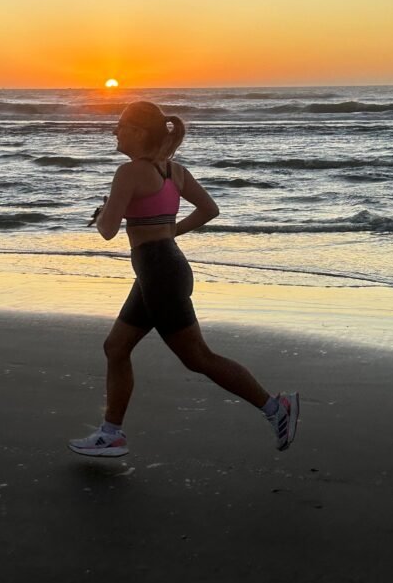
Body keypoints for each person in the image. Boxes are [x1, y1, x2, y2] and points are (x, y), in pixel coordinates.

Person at [69, 100, 299, 458]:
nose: (114, 132)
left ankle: (275, 408)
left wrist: (102, 212)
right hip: (163, 267)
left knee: (198, 358)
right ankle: (111, 433)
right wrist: (170, 231)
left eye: (120, 125)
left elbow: (108, 231)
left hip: (159, 272)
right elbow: (210, 209)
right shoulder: (174, 171)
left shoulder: (128, 174)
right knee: (116, 347)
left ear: (138, 132)